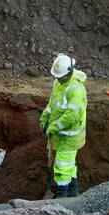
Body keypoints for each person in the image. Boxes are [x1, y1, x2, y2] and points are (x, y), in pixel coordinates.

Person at [39, 53, 87, 198]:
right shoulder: (58, 83)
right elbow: (53, 104)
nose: (58, 79)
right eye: (57, 76)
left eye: (61, 77)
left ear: (70, 72)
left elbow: (70, 116)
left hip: (70, 137)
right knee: (68, 165)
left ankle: (62, 196)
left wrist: (53, 127)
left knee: (62, 167)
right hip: (60, 134)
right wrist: (45, 117)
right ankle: (73, 193)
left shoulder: (76, 90)